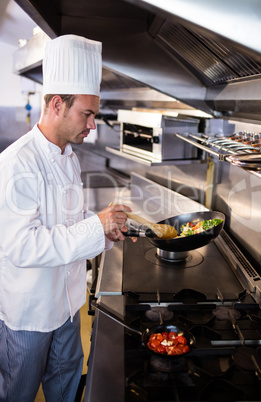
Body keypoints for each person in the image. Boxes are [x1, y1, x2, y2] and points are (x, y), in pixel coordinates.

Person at [0, 34, 132, 402]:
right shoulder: (16, 164)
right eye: (86, 114)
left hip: (68, 307)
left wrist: (106, 231)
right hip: (29, 314)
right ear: (57, 104)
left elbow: (71, 220)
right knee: (18, 394)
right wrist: (95, 227)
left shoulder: (68, 155)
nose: (92, 124)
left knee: (68, 389)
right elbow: (23, 246)